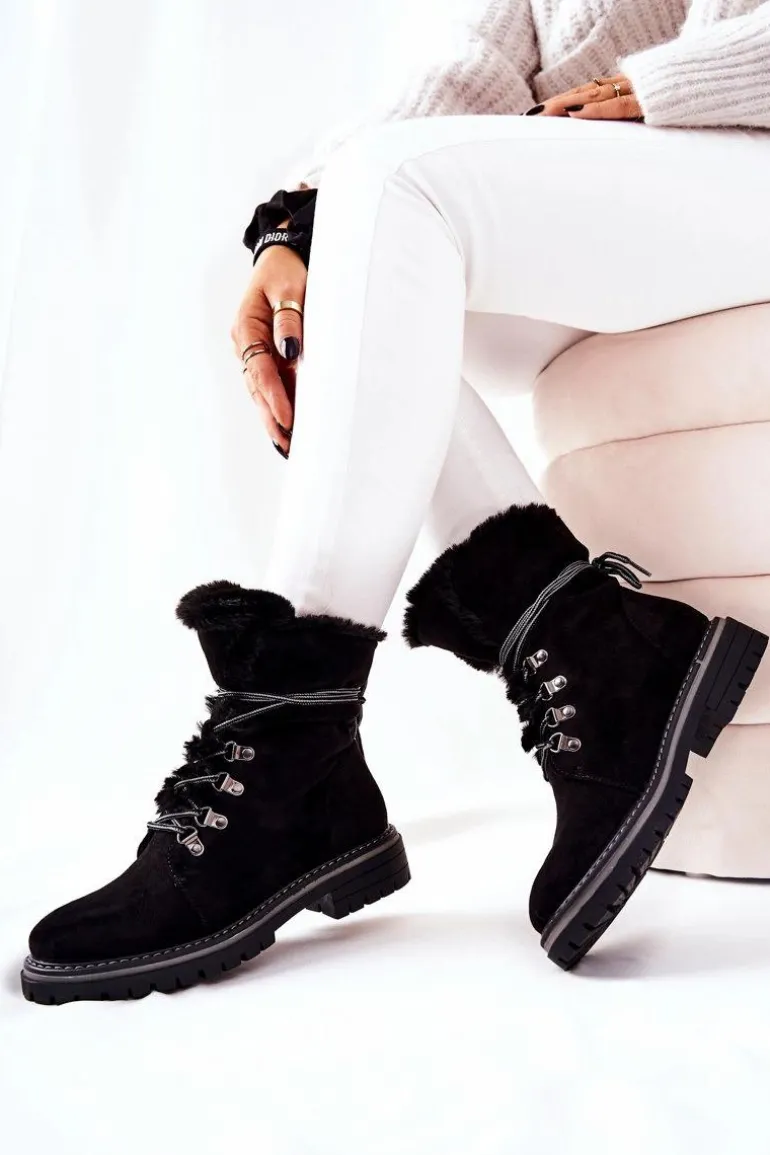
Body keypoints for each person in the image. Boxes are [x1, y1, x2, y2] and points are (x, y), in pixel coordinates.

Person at [21, 0, 770, 1004]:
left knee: (391, 196)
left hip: (740, 151)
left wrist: (666, 86)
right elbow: (479, 61)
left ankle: (292, 753)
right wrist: (295, 227)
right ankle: (590, 649)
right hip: (653, 192)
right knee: (350, 267)